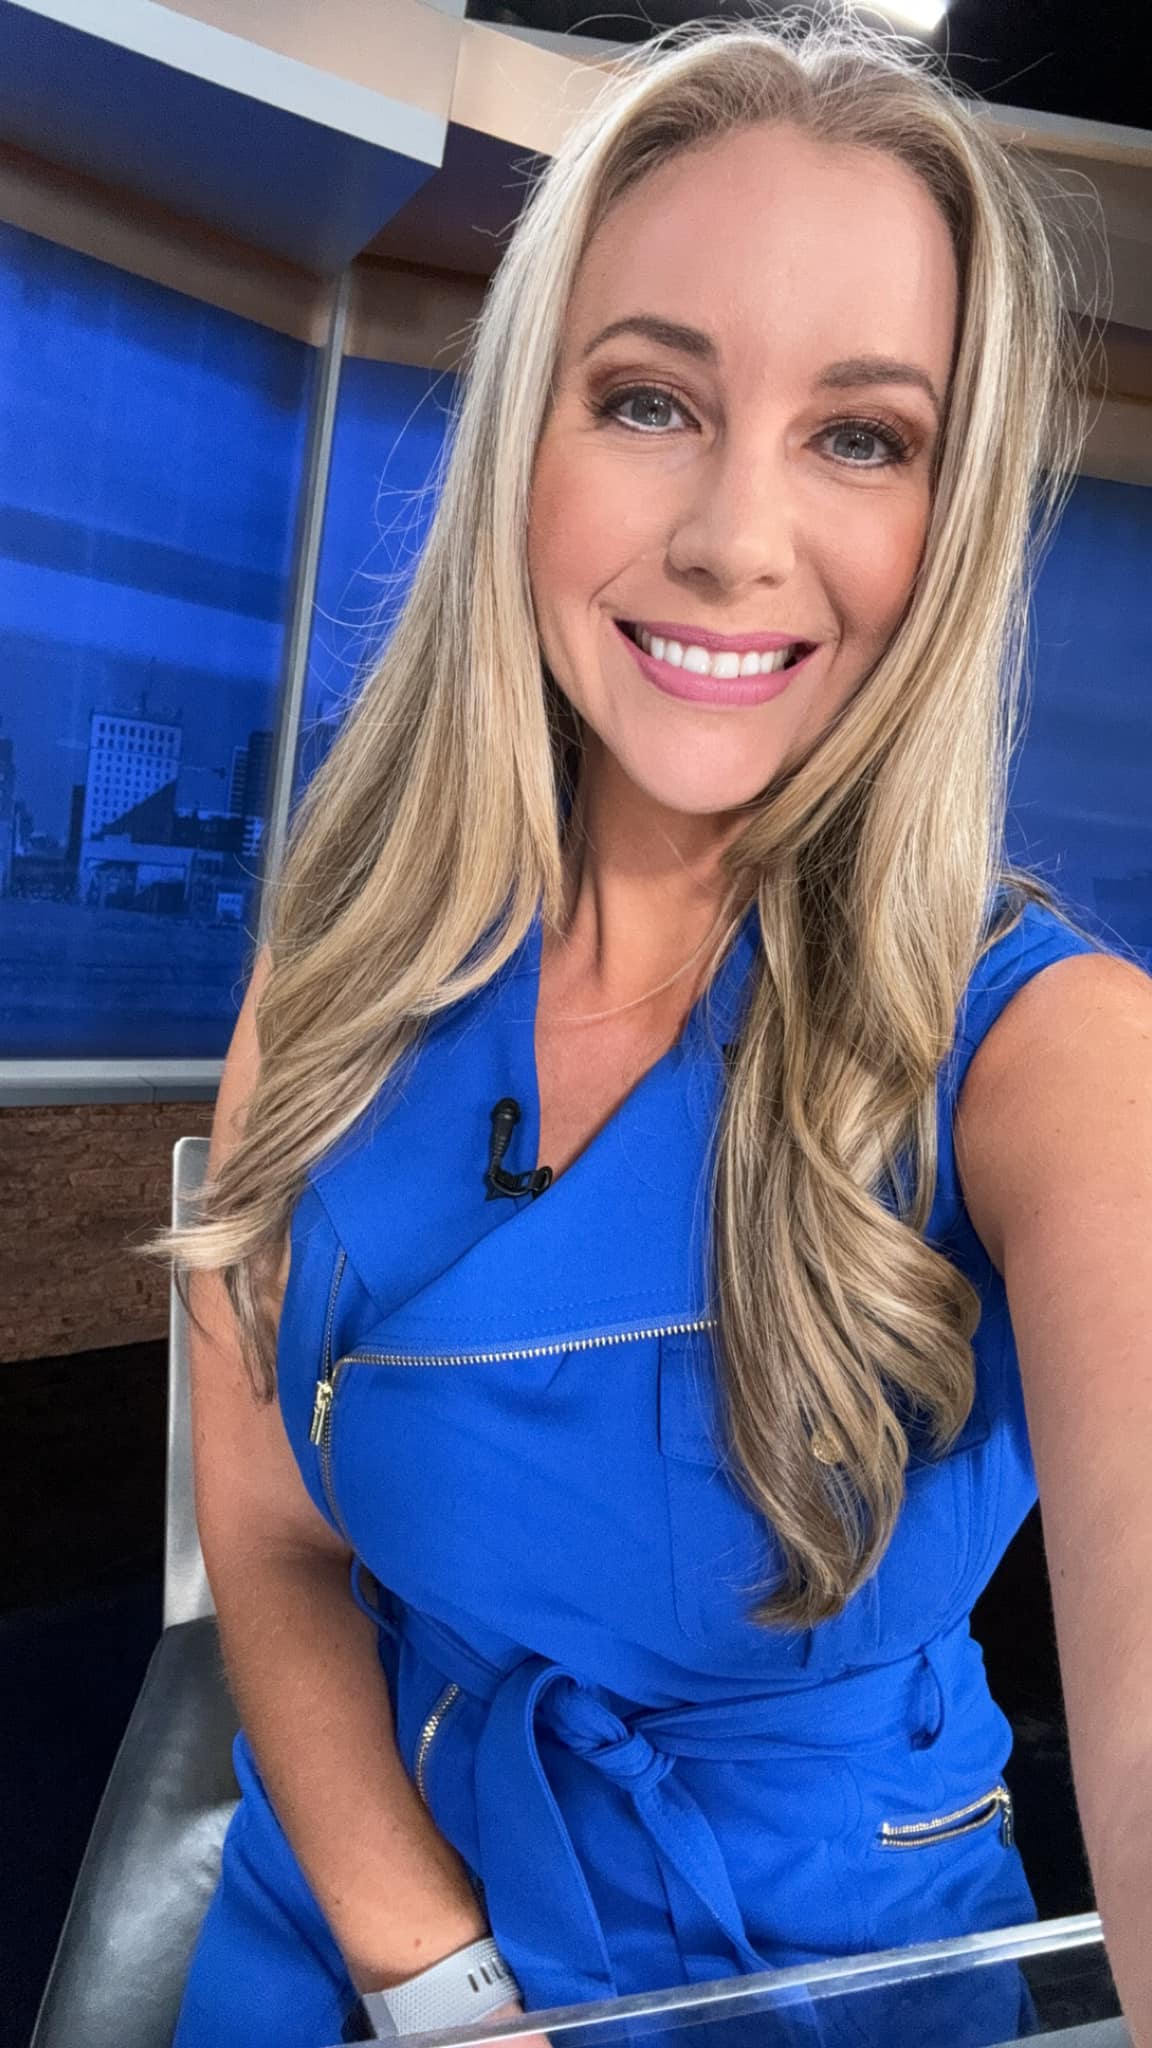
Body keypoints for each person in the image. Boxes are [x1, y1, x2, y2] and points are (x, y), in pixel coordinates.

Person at [150, 18, 1152, 2048]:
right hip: (367, 1907)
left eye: (859, 435)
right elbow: (261, 1534)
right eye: (648, 399)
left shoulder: (1057, 1059)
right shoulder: (330, 970)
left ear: (946, 521)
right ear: (530, 430)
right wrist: (432, 1981)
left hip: (828, 1973)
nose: (730, 538)